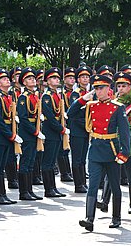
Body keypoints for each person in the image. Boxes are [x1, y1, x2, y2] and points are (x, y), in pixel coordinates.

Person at [79, 74, 131, 232]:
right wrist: (82, 99)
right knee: (92, 186)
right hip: (95, 149)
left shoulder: (117, 107)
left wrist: (125, 152)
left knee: (115, 186)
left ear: (109, 89)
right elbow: (72, 112)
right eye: (95, 88)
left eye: (100, 88)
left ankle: (116, 217)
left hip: (111, 150)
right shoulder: (91, 105)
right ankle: (89, 218)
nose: (98, 91)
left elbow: (124, 132)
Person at [91, 71, 131, 214]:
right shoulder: (112, 100)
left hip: (130, 142)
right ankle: (105, 201)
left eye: (124, 86)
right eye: (118, 86)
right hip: (111, 144)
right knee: (110, 174)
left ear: (130, 86)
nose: (121, 89)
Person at [0, 69, 20, 205]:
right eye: (4, 79)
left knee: (1, 168)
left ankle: (3, 194)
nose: (7, 80)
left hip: (7, 136)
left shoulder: (8, 97)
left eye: (7, 78)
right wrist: (11, 135)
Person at [16, 67, 46, 201]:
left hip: (35, 131)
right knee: (25, 161)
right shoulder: (23, 98)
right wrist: (35, 131)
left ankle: (29, 190)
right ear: (24, 82)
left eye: (33, 78)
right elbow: (23, 117)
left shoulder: (35, 96)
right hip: (28, 133)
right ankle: (24, 192)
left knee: (31, 162)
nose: (32, 80)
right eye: (29, 78)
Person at [40, 67, 68, 197]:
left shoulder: (57, 95)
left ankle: (53, 187)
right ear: (47, 81)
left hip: (56, 130)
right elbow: (50, 117)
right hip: (51, 130)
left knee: (52, 162)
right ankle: (48, 189)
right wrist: (61, 128)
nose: (56, 79)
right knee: (48, 161)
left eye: (57, 78)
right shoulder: (46, 96)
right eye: (53, 78)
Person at [69, 65, 91, 193]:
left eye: (87, 77)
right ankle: (78, 184)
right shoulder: (75, 94)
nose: (85, 79)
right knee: (77, 158)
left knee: (83, 158)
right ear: (78, 79)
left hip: (85, 130)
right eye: (82, 77)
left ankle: (83, 182)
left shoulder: (88, 93)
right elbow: (74, 114)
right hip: (77, 129)